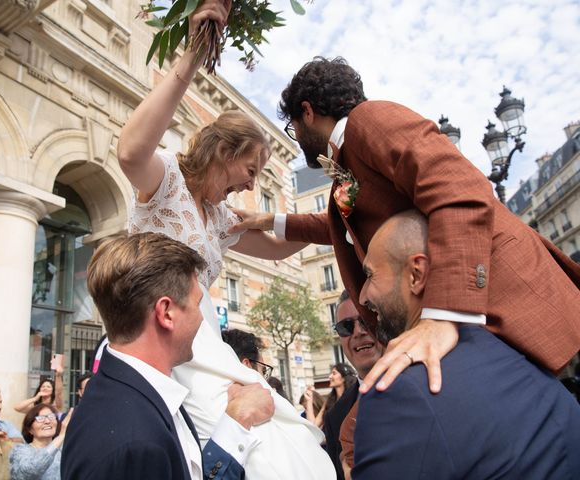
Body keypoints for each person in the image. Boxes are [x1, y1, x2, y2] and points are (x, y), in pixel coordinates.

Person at [231, 56, 580, 394]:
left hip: (512, 309)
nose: (297, 137)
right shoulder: (349, 156)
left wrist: (441, 316)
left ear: (306, 111)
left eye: (293, 127)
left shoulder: (369, 119)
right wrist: (267, 220)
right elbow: (337, 228)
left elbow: (460, 189)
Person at [115, 1, 334, 478]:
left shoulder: (218, 218)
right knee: (261, 451)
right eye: (249, 171)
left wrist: (339, 211)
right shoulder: (165, 180)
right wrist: (192, 55)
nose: (251, 185)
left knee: (283, 433)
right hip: (159, 337)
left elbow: (279, 249)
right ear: (222, 152)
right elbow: (131, 151)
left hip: (205, 342)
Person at [352, 210, 580, 479]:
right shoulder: (517, 355)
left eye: (370, 275)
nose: (363, 295)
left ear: (416, 274)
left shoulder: (398, 393)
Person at [62, 233, 276, 480]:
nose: (201, 319)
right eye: (197, 305)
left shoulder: (134, 391)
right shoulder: (132, 445)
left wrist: (234, 423)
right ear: (166, 313)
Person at [325, 291, 383, 480]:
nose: (358, 331)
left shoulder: (427, 382)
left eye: (365, 320)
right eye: (346, 326)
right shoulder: (335, 418)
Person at [9, 404, 72, 479]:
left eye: (51, 417)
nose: (47, 421)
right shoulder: (19, 450)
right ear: (30, 429)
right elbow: (30, 470)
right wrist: (61, 436)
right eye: (40, 418)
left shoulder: (64, 450)